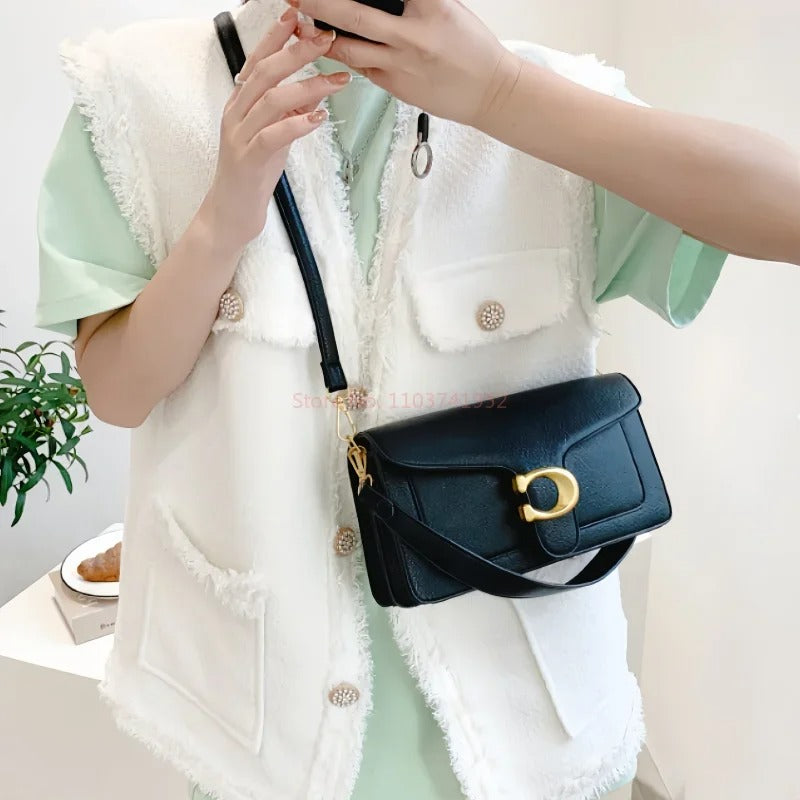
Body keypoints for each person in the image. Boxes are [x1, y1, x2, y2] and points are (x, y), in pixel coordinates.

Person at [34, 1, 800, 799]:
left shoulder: (547, 96)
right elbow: (117, 391)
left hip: (528, 738)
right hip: (265, 739)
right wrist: (221, 223)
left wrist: (502, 93)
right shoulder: (137, 92)